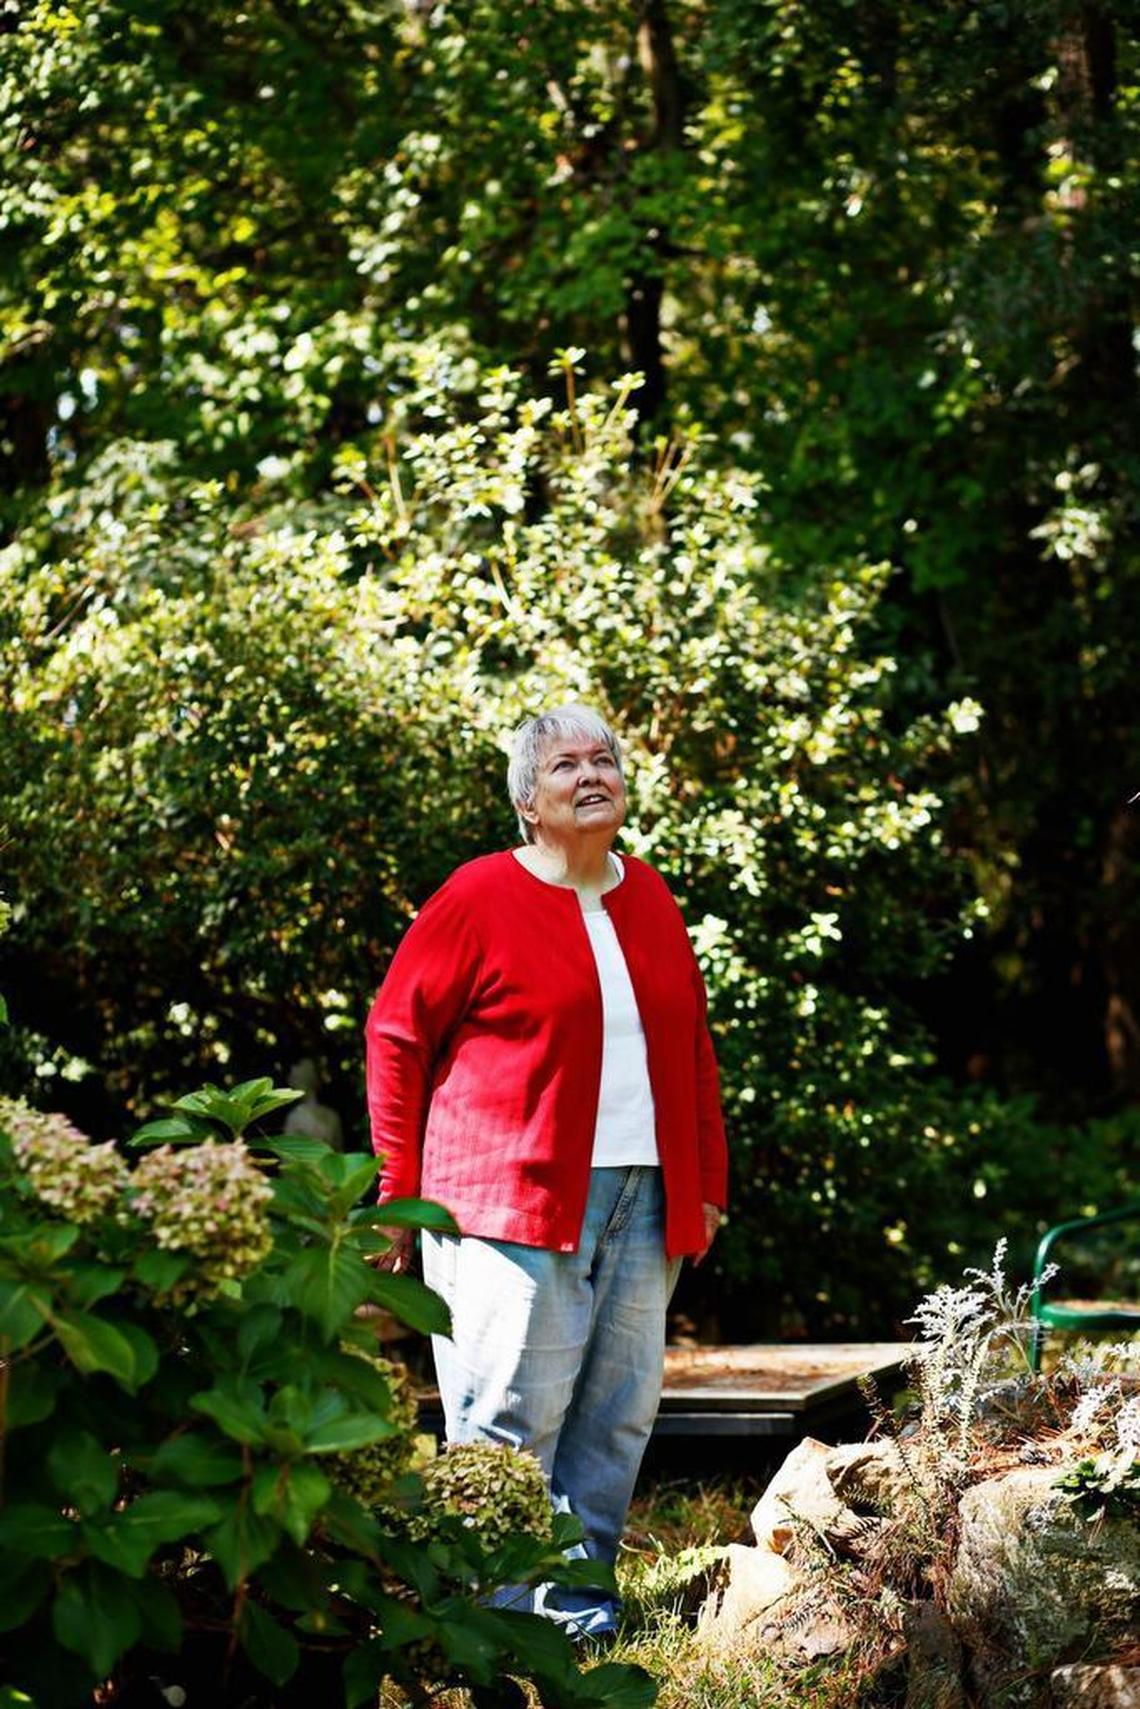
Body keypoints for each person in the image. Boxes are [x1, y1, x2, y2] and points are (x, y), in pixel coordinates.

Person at [364, 705, 727, 1640]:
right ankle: (484, 1623)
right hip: (507, 1203)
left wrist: (709, 1183)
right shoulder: (479, 895)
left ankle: (578, 1615)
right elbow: (397, 1037)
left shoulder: (647, 893)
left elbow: (691, 1048)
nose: (592, 772)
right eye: (566, 763)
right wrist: (395, 1196)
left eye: (604, 756)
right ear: (529, 799)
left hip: (646, 1199)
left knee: (613, 1422)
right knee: (507, 1425)